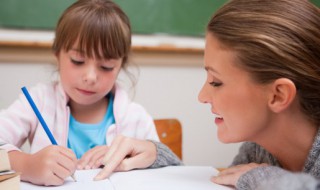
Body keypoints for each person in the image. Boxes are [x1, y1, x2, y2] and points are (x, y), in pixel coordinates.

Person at [94, 0, 320, 189]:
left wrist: (265, 180)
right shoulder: (259, 150)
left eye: (216, 82)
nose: (202, 96)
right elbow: (218, 182)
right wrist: (157, 156)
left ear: (278, 95)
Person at [0, 0, 160, 186]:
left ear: (120, 66)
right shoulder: (37, 101)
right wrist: (27, 165)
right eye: (77, 61)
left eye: (106, 66)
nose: (91, 77)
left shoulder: (135, 117)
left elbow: (171, 168)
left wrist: (151, 152)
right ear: (57, 55)